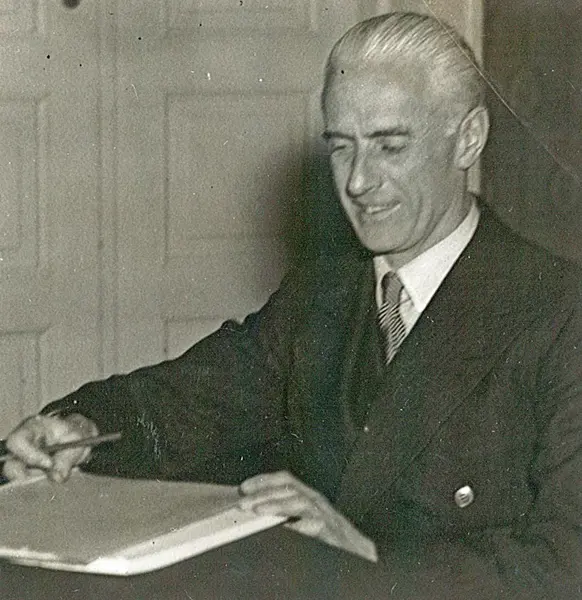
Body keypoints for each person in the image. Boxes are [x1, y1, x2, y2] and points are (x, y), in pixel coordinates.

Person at [3, 12, 582, 598]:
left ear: (468, 138)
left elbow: (567, 563)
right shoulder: (325, 291)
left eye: (390, 146)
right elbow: (198, 397)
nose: (358, 181)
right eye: (342, 148)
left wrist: (372, 559)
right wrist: (81, 428)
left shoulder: (558, 313)